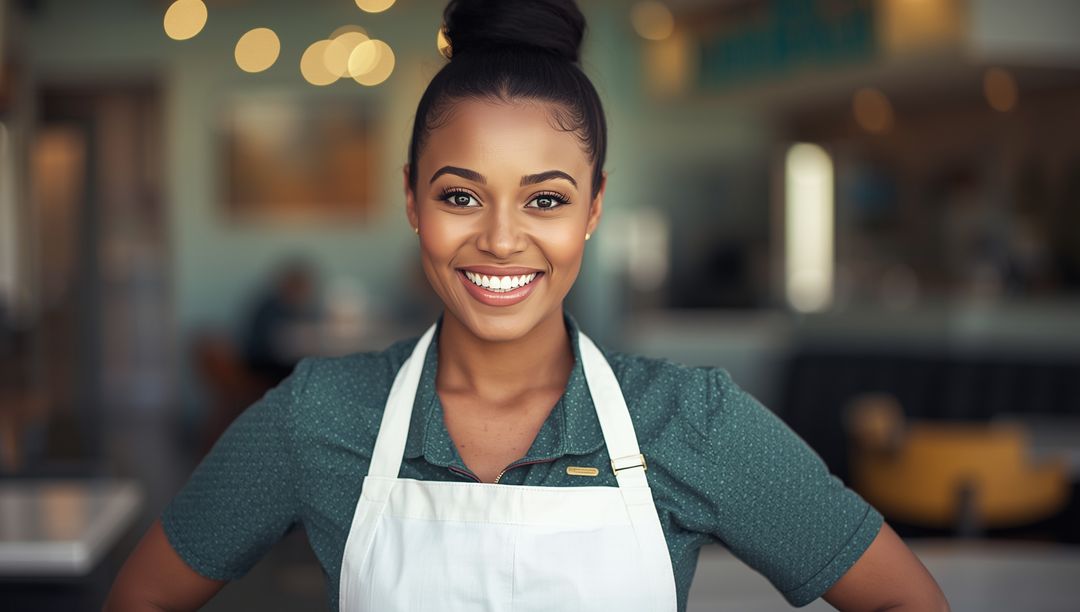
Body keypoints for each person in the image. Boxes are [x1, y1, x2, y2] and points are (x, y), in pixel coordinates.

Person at [106, 1, 949, 610]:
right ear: (412, 201)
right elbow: (140, 596)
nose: (501, 241)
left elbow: (906, 601)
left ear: (593, 208)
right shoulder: (318, 416)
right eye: (460, 196)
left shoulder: (694, 421)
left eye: (544, 200)